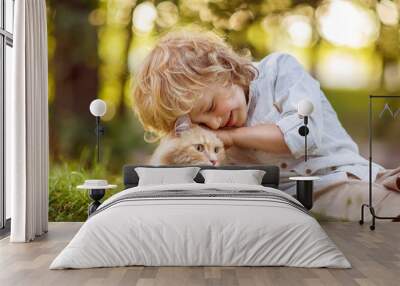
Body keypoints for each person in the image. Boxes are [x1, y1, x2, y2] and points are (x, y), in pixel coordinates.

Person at [132, 30, 400, 221]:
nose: (215, 124)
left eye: (211, 107)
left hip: (338, 178)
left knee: (378, 203)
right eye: (202, 123)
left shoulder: (279, 71)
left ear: (223, 68)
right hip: (282, 205)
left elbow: (303, 136)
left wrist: (233, 137)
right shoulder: (213, 140)